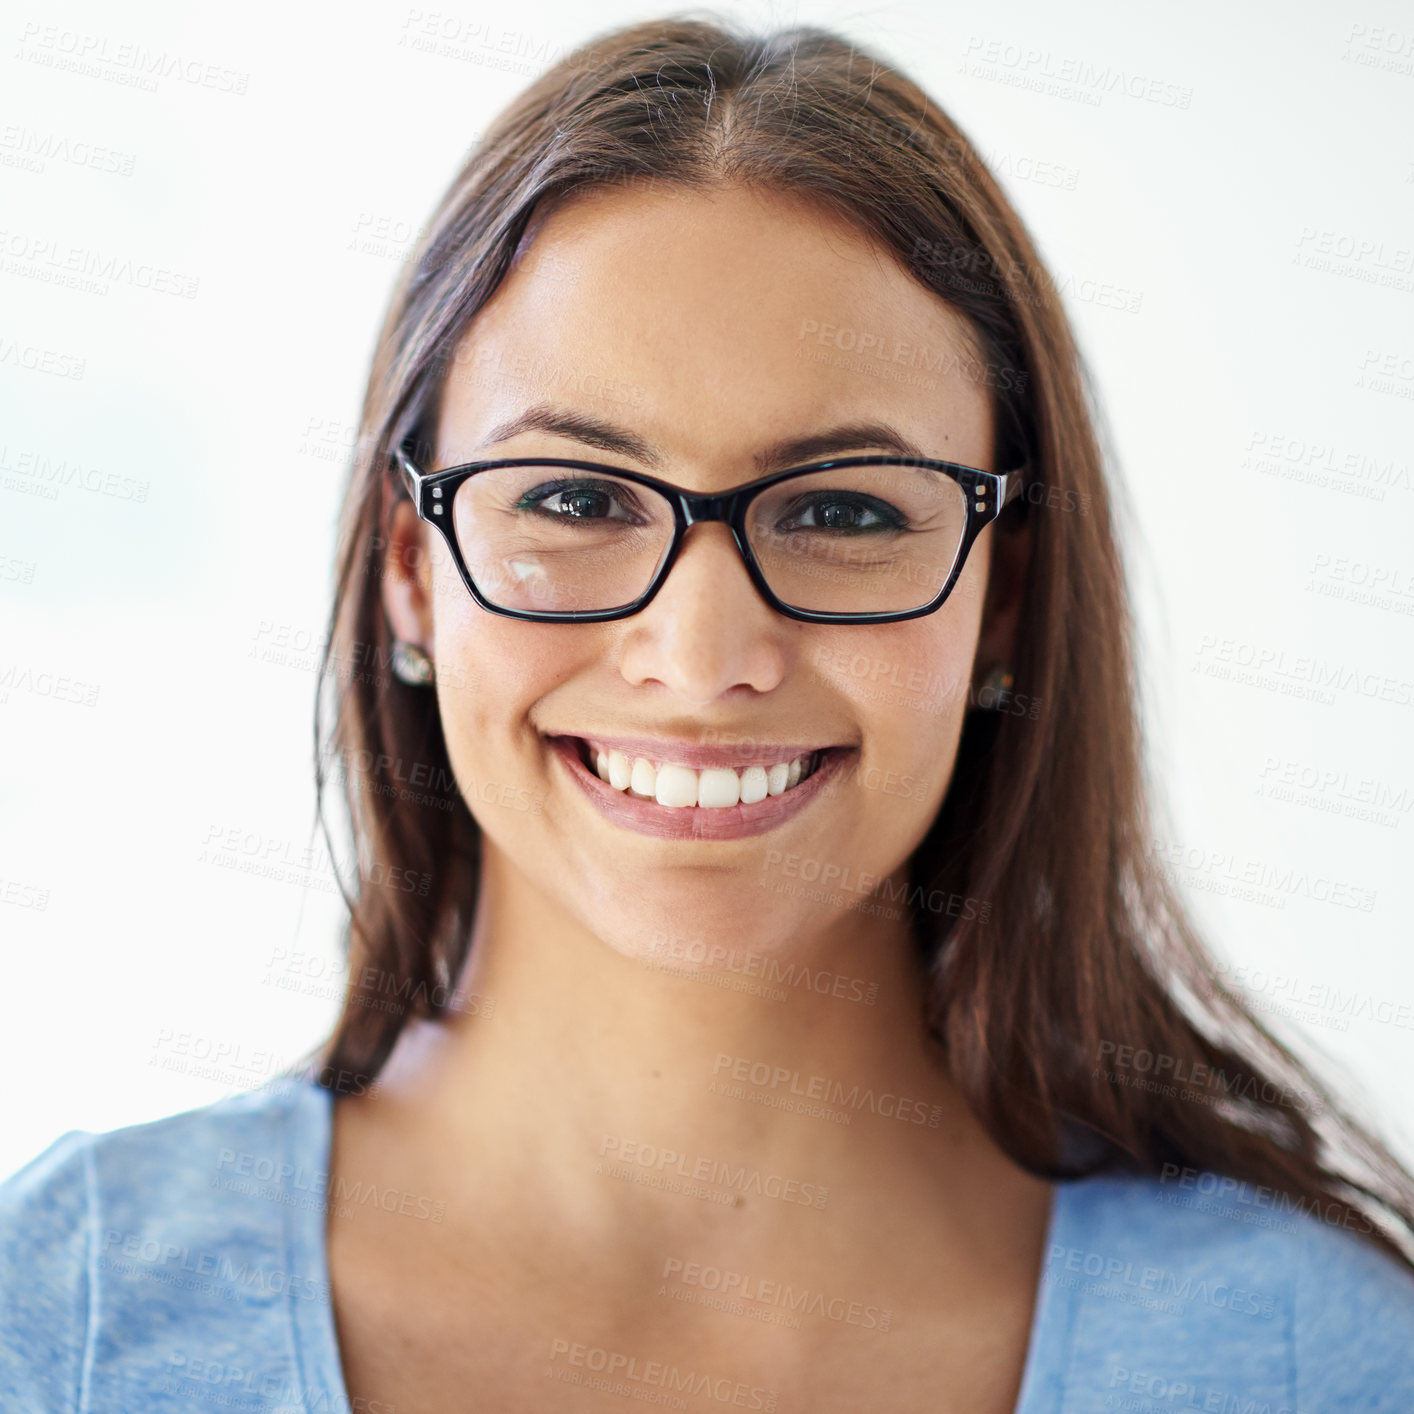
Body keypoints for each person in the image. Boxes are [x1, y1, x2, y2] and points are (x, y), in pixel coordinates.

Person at [4, 16, 1413, 1414]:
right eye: (573, 497)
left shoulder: (1321, 1362)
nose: (700, 655)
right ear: (411, 567)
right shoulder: (62, 1315)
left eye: (843, 509)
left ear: (1002, 598)